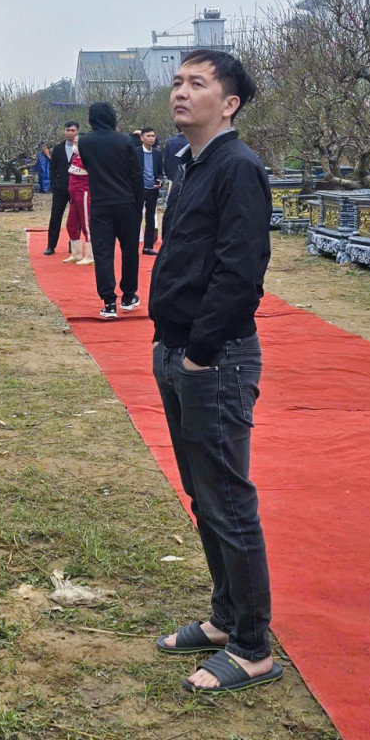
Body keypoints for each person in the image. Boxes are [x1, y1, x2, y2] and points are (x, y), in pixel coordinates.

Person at [148, 49, 280, 693]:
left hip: (215, 358)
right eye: (177, 81)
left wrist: (200, 351)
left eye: (197, 83)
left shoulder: (238, 168)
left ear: (228, 103)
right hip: (176, 351)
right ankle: (226, 619)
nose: (181, 93)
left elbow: (240, 272)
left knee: (228, 498)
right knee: (204, 496)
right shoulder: (189, 162)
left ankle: (254, 645)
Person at [78, 102, 143, 315]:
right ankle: (128, 295)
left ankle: (108, 302)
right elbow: (135, 174)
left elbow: (88, 167)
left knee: (103, 253)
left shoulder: (85, 142)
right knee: (129, 252)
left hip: (100, 204)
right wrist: (138, 203)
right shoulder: (125, 140)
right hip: (126, 203)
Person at [44, 122, 79, 255]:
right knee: (55, 216)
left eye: (73, 130)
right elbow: (52, 168)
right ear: (64, 131)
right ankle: (51, 245)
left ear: (77, 132)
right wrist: (54, 184)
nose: (70, 133)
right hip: (60, 188)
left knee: (76, 218)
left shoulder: (82, 147)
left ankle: (74, 243)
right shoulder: (58, 148)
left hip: (76, 187)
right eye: (68, 130)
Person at [138, 127, 168, 253]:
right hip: (138, 189)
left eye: (153, 136)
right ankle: (132, 244)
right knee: (135, 217)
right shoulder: (135, 152)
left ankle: (148, 246)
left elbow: (160, 173)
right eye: (148, 136)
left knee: (150, 217)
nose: (151, 138)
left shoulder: (157, 153)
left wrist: (159, 181)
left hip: (152, 189)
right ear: (142, 138)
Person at [65, 133, 93, 264]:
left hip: (84, 194)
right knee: (71, 224)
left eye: (77, 143)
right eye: (74, 143)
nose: (74, 145)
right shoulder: (75, 157)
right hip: (73, 196)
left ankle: (90, 255)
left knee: (87, 224)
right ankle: (76, 253)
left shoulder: (89, 158)